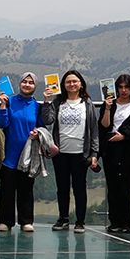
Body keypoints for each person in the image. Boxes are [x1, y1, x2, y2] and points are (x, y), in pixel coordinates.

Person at [46, 70, 98, 231]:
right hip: (60, 153)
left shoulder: (87, 104)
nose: (72, 84)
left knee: (79, 188)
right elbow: (47, 120)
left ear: (81, 84)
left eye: (75, 81)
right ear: (63, 85)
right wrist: (47, 101)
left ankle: (80, 221)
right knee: (62, 188)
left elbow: (94, 130)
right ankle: (63, 218)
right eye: (68, 82)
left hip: (80, 154)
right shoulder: (57, 103)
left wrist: (94, 153)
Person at [0, 73, 43, 232]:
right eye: (24, 82)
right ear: (19, 84)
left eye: (31, 82)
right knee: (7, 189)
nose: (27, 85)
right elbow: (2, 123)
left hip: (28, 155)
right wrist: (3, 105)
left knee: (26, 190)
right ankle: (5, 221)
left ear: (35, 86)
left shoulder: (37, 106)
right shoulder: (10, 101)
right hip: (10, 154)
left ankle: (26, 221)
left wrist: (38, 133)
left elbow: (42, 126)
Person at [98, 74, 130, 234]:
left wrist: (124, 136)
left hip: (127, 150)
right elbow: (104, 125)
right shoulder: (109, 105)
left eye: (126, 87)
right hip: (110, 149)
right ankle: (114, 221)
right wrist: (107, 108)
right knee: (113, 186)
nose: (123, 90)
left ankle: (127, 222)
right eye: (121, 87)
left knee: (126, 186)